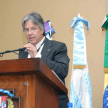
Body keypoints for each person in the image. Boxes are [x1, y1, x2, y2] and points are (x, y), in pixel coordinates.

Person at [19, 11, 70, 108]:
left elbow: (63, 71)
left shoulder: (58, 47)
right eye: (26, 30)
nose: (29, 33)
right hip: (29, 101)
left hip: (53, 100)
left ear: (42, 29)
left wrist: (38, 56)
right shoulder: (23, 52)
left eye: (33, 28)